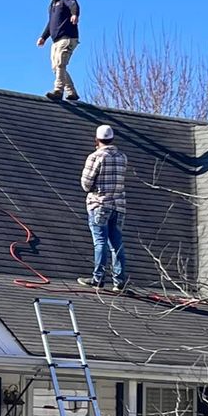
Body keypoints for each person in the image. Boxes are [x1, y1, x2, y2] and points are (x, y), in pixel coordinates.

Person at [77, 124, 128, 291]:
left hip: (99, 204)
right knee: (117, 244)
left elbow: (86, 184)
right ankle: (119, 282)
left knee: (100, 242)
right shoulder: (122, 157)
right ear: (112, 139)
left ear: (97, 140)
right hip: (118, 206)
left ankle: (97, 278)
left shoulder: (95, 157)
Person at [36, 0, 80, 101]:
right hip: (56, 41)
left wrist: (74, 14)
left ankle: (58, 91)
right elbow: (51, 23)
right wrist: (43, 37)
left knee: (61, 63)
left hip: (67, 37)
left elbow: (73, 4)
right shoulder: (52, 5)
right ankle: (72, 92)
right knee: (56, 67)